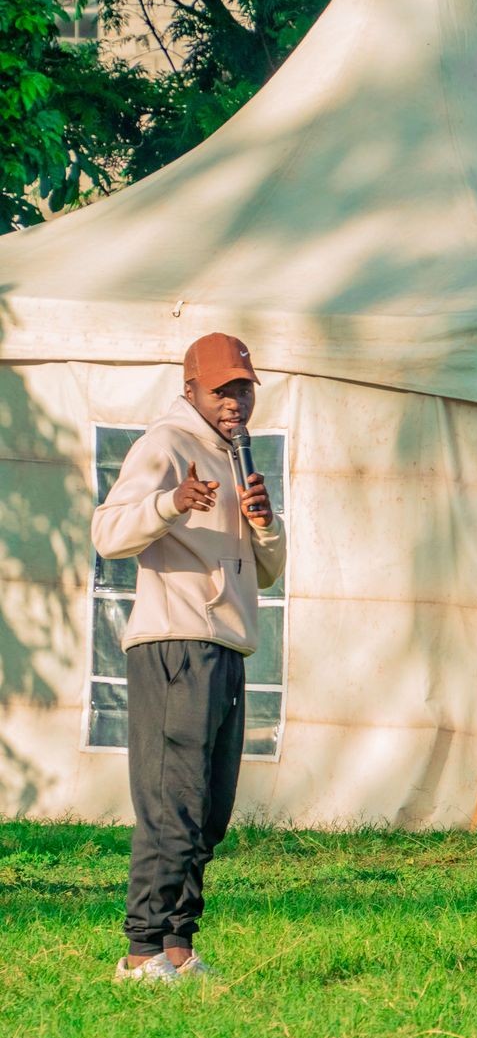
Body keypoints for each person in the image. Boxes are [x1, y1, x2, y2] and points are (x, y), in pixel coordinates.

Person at [91, 332, 286, 983]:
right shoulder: (166, 445)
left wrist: (264, 524)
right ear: (191, 390)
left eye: (244, 389)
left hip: (226, 642)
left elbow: (266, 573)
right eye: (222, 389)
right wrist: (171, 502)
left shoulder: (235, 457)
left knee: (209, 810)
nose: (235, 402)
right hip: (175, 640)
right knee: (172, 804)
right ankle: (141, 952)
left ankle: (179, 947)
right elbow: (108, 531)